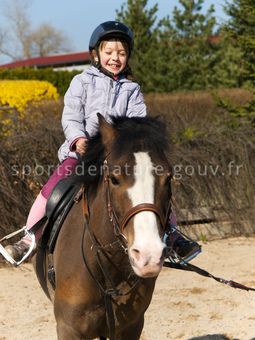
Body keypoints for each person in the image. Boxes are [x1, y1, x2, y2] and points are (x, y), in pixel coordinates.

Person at [5, 21, 201, 263]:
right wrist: (77, 139)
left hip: (120, 157)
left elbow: (139, 124)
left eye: (121, 53)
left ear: (127, 57)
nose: (115, 58)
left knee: (154, 183)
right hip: (84, 153)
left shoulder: (132, 89)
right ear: (96, 54)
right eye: (109, 52)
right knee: (55, 184)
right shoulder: (81, 82)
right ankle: (29, 237)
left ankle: (172, 236)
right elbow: (71, 116)